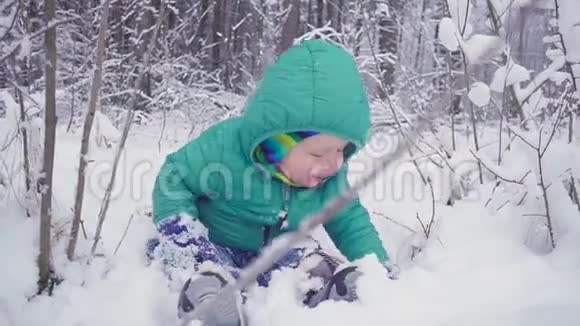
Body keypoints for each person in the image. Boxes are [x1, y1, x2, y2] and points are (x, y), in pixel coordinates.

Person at [148, 39, 398, 326]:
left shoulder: (328, 176)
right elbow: (174, 175)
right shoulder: (224, 148)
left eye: (341, 149)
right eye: (318, 152)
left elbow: (350, 221)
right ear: (279, 143)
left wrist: (379, 268)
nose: (334, 163)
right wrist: (178, 225)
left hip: (278, 256)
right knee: (188, 255)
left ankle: (334, 290)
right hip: (218, 244)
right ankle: (208, 298)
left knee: (310, 259)